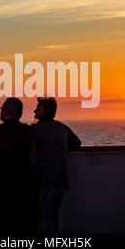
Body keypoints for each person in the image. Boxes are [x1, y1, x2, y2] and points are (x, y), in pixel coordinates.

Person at [0, 98, 34, 234]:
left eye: (2, 108)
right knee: (20, 224)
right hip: (22, 186)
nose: (1, 111)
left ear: (7, 111)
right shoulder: (27, 131)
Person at [30, 97, 81, 234]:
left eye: (38, 108)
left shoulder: (34, 130)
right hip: (59, 181)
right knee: (51, 218)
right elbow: (76, 142)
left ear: (47, 111)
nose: (34, 110)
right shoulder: (61, 127)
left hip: (41, 182)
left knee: (40, 221)